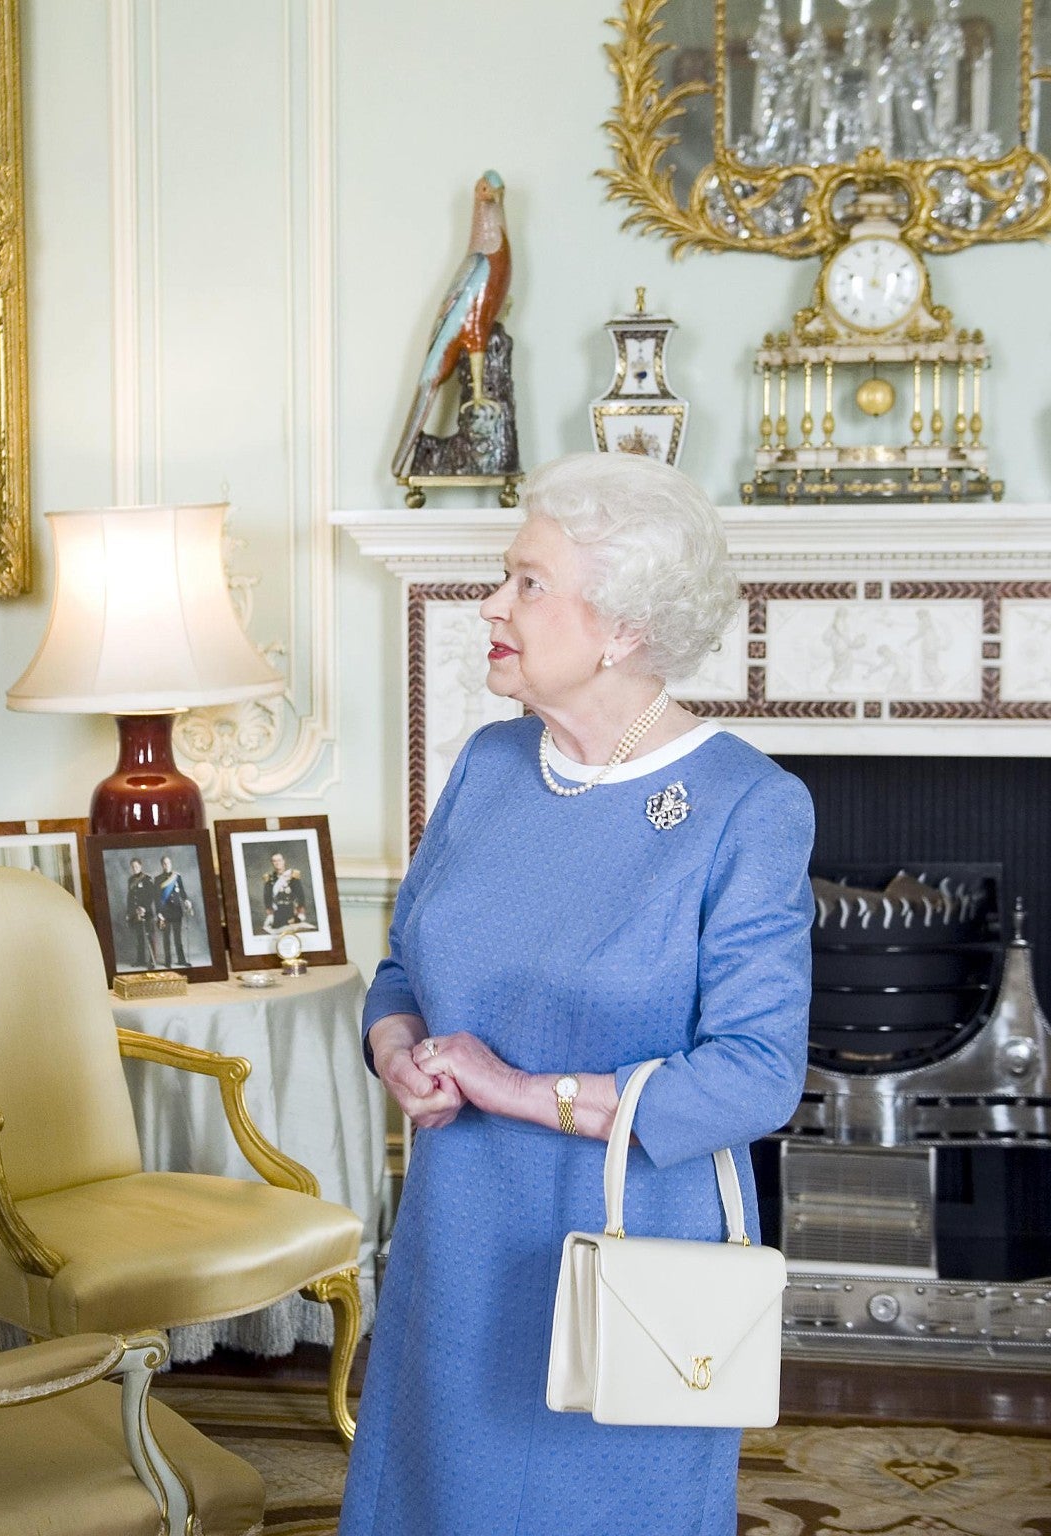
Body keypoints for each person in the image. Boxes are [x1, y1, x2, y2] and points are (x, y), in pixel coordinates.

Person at [337, 452, 813, 1536]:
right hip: (456, 1234)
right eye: (503, 579)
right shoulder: (490, 763)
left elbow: (753, 1077)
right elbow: (404, 970)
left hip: (627, 1252)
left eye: (527, 583)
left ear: (623, 627)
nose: (491, 605)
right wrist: (397, 1047)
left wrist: (511, 1088)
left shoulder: (745, 805)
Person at [260, 849, 309, 934]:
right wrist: (270, 914)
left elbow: (300, 896)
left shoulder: (292, 876)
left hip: (291, 911)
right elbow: (267, 898)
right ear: (272, 863)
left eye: (279, 860)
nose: (277, 863)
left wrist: (300, 913)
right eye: (274, 861)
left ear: (283, 861)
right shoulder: (269, 879)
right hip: (277, 913)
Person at [125, 856, 160, 968]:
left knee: (150, 936)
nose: (134, 868)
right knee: (140, 938)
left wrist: (144, 908)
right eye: (133, 867)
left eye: (136, 866)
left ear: (140, 866)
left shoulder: (147, 879)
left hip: (147, 912)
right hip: (136, 913)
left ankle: (152, 961)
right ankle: (140, 960)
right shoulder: (130, 880)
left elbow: (151, 895)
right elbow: (130, 898)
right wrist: (129, 912)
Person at [156, 854, 190, 967]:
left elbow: (182, 892)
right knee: (166, 939)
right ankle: (168, 961)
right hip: (165, 913)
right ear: (162, 865)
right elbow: (157, 898)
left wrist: (186, 900)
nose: (166, 865)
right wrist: (159, 913)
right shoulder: (158, 879)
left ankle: (182, 960)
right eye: (164, 863)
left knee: (178, 938)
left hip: (176, 911)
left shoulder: (177, 877)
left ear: (171, 864)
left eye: (168, 863)